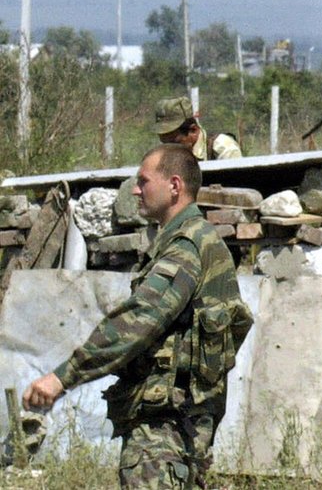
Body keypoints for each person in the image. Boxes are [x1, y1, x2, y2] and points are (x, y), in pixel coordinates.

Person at [23, 143, 253, 488]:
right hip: (179, 422)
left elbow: (138, 320)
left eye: (144, 181)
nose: (135, 189)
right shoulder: (191, 239)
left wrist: (62, 378)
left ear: (174, 186)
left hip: (165, 427)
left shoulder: (187, 246)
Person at [154, 96, 242, 161]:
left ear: (193, 130)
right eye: (164, 144)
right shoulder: (165, 157)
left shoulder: (223, 148)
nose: (169, 150)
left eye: (174, 143)